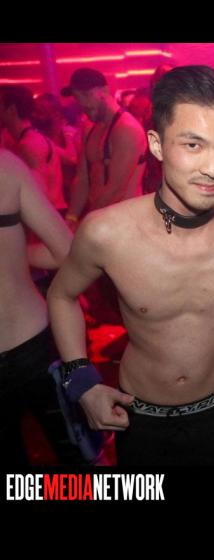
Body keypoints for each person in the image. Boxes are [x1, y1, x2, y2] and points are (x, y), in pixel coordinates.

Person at [47, 65, 214, 466]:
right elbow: (61, 296)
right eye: (193, 145)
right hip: (140, 418)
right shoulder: (107, 232)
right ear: (157, 145)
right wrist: (81, 382)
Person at [0, 148, 85, 465]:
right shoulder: (7, 165)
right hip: (35, 343)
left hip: (35, 346)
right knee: (81, 458)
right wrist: (14, 254)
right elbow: (65, 251)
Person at [61, 68, 147, 223]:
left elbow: (116, 189)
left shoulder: (127, 129)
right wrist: (71, 218)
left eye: (86, 94)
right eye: (77, 96)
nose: (82, 102)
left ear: (105, 91)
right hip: (101, 219)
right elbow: (82, 178)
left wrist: (87, 222)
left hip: (126, 222)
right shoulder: (89, 129)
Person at [0, 86, 66, 212]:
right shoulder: (28, 139)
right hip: (50, 212)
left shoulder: (29, 144)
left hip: (49, 213)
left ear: (12, 109)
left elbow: (39, 190)